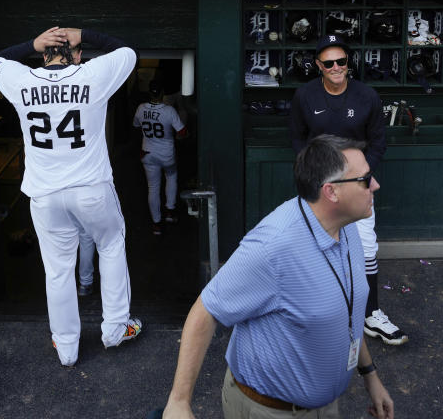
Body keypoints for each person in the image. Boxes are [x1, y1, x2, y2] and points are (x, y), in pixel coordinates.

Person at [162, 135, 395, 419]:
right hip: (270, 412)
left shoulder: (348, 227)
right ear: (331, 192)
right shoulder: (273, 247)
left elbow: (348, 312)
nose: (375, 185)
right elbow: (206, 310)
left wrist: (370, 375)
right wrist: (179, 401)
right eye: (365, 179)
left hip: (326, 407)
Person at [0, 26, 142, 367]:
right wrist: (84, 33)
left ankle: (67, 346)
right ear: (76, 54)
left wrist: (32, 42)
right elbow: (127, 50)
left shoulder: (23, 79)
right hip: (90, 189)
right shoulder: (91, 74)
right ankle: (116, 328)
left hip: (44, 195)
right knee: (111, 245)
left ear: (43, 56)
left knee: (58, 271)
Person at [290, 35, 407, 347]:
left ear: (348, 63)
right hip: (322, 183)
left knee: (367, 247)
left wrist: (360, 175)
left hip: (357, 182)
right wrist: (312, 175)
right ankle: (320, 315)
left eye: (341, 61)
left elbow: (378, 141)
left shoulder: (366, 95)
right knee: (317, 246)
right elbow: (298, 140)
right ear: (318, 66)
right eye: (328, 63)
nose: (336, 67)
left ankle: (371, 314)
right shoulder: (305, 95)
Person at [133, 80, 187, 235]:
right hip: (166, 154)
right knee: (171, 178)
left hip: (148, 153)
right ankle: (170, 212)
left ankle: (156, 224)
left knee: (153, 187)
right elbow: (182, 132)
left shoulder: (141, 108)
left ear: (149, 93)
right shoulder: (169, 110)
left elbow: (136, 125)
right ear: (162, 93)